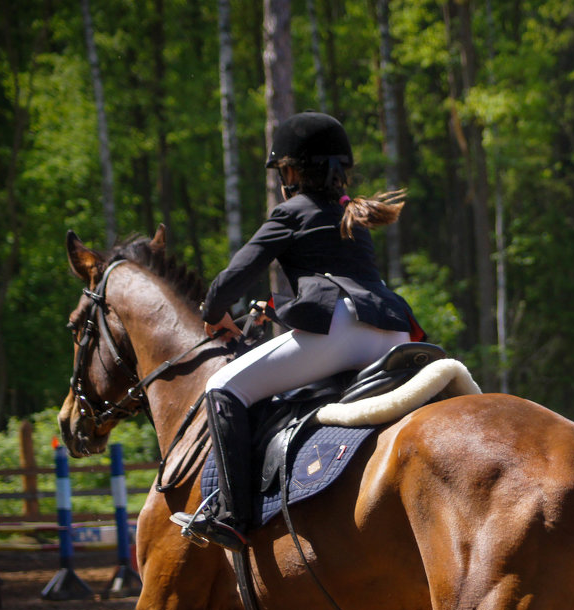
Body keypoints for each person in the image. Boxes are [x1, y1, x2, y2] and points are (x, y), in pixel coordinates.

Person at [171, 112, 423, 552]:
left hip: (341, 333)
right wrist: (278, 309)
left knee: (222, 388)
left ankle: (232, 516)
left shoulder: (291, 211)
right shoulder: (353, 214)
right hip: (394, 330)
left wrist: (214, 312)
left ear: (289, 171)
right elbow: (342, 280)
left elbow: (235, 276)